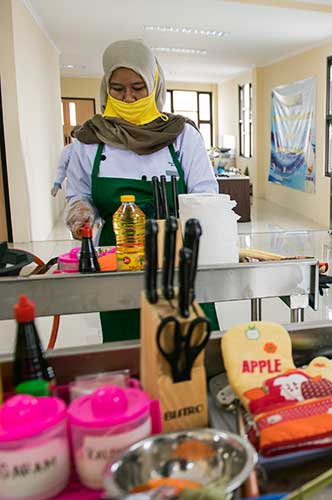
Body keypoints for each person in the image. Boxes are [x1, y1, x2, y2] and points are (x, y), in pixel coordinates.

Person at [65, 39, 219, 342]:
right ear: (105, 87)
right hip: (117, 259)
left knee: (189, 343)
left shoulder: (182, 135)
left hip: (178, 255)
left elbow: (205, 197)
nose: (129, 97)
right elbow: (79, 194)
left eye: (138, 87)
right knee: (127, 344)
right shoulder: (89, 139)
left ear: (155, 84)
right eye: (118, 88)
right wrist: (80, 209)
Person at [52, 127, 80, 197]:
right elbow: (62, 168)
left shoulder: (91, 149)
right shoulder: (68, 149)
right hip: (74, 189)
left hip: (90, 189)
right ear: (73, 134)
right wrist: (57, 183)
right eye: (76, 133)